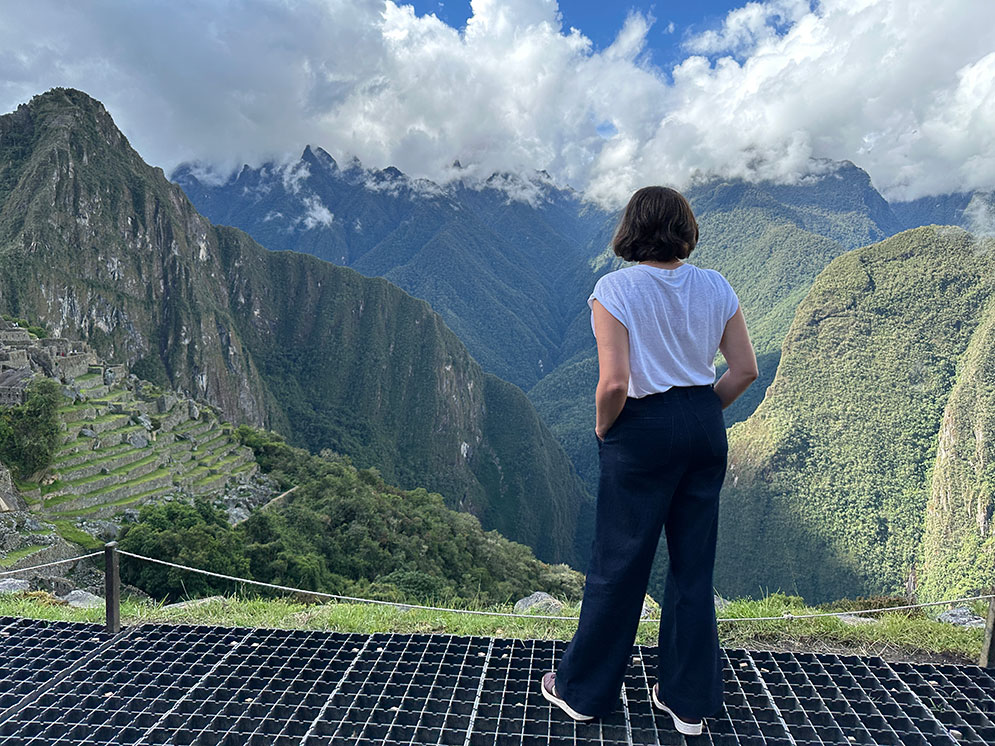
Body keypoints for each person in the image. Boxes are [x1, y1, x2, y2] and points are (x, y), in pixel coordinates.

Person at [540, 186, 758, 735]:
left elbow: (614, 382)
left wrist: (604, 428)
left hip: (641, 430)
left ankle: (584, 693)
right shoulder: (716, 286)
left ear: (631, 229)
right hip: (704, 424)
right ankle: (687, 702)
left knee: (620, 562)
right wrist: (702, 412)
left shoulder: (613, 289)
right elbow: (744, 370)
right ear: (685, 228)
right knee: (692, 564)